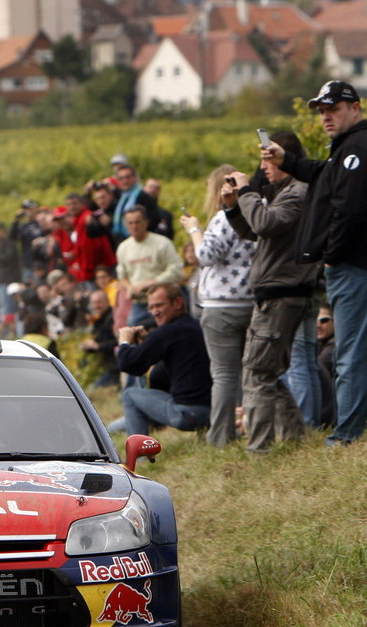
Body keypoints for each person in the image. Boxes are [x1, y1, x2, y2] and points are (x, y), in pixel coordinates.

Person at [266, 80, 367, 445]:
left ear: (355, 108)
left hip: (359, 267)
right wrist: (291, 162)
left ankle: (347, 434)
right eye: (322, 111)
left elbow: (349, 211)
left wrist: (331, 255)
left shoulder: (355, 150)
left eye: (334, 109)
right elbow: (327, 176)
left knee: (352, 355)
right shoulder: (356, 145)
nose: (326, 116)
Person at [229, 129, 319, 453]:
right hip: (279, 291)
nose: (263, 167)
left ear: (285, 156)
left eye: (267, 159)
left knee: (256, 371)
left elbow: (265, 223)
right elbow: (256, 231)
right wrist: (233, 207)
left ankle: (259, 449)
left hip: (281, 292)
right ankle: (294, 439)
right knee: (268, 371)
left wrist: (247, 191)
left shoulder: (298, 193)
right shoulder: (284, 192)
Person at [182, 164, 257, 446]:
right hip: (250, 300)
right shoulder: (254, 212)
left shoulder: (222, 218)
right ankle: (251, 425)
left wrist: (194, 229)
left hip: (220, 305)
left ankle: (221, 436)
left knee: (224, 375)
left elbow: (205, 254)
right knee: (249, 372)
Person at [112, 282, 213, 436]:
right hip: (212, 412)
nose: (154, 312)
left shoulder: (168, 331)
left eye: (159, 305)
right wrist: (148, 342)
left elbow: (128, 364)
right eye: (150, 307)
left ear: (178, 303)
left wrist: (124, 342)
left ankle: (140, 456)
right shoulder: (195, 326)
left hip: (187, 413)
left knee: (129, 395)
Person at [115, 205, 183, 328]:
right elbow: (122, 276)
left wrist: (152, 283)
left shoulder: (162, 243)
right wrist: (129, 288)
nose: (134, 226)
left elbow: (177, 270)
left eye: (137, 222)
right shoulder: (123, 248)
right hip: (139, 303)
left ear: (146, 223)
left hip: (164, 301)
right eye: (130, 223)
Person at [78, 289, 120, 389]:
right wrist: (88, 346)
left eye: (99, 302)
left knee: (91, 391)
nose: (96, 306)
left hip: (117, 367)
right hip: (106, 367)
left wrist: (98, 346)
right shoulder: (98, 320)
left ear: (108, 301)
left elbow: (120, 342)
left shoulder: (114, 317)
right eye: (94, 303)